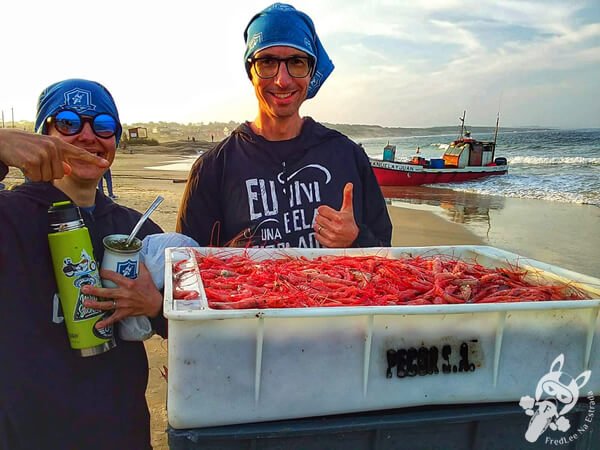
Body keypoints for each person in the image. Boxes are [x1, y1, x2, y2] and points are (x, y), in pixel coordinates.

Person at [0, 79, 166, 450]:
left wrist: (154, 306)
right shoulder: (8, 218)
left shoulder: (133, 228)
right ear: (42, 136)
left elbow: (190, 320)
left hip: (122, 434)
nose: (88, 136)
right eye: (69, 123)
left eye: (104, 125)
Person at [177, 3, 392, 248]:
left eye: (297, 62)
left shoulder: (348, 156)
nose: (282, 80)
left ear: (311, 72)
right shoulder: (213, 168)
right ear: (251, 72)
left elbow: (385, 253)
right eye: (267, 62)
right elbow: (186, 267)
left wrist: (356, 239)